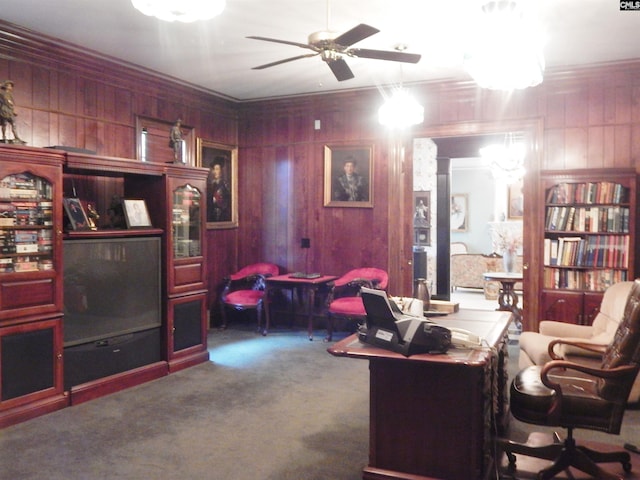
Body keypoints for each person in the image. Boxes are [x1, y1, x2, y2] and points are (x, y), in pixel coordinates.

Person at [0, 80, 26, 144]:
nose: (11, 87)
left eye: (11, 86)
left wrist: (13, 111)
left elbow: (11, 104)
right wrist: (2, 85)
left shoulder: (10, 94)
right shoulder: (2, 93)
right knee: (4, 124)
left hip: (10, 111)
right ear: (6, 87)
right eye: (9, 86)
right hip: (4, 110)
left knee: (13, 124)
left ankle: (16, 136)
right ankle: (4, 136)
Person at [207, 156, 231, 222]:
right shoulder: (211, 185)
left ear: (221, 171)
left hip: (222, 215)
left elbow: (227, 202)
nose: (215, 171)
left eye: (217, 169)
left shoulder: (225, 185)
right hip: (211, 215)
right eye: (214, 169)